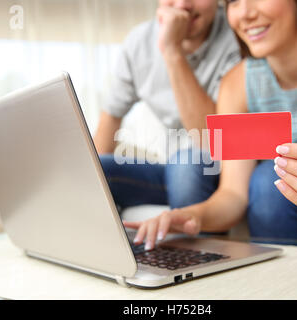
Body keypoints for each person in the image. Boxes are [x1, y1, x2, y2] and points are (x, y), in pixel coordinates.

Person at [124, 0, 297, 250]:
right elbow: (233, 195)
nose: (245, 13)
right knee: (267, 180)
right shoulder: (237, 84)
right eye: (233, 2)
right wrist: (190, 215)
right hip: (279, 192)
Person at [94, 0, 240, 214]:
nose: (182, 5)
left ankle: (197, 248)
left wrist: (172, 51)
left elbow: (212, 140)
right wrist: (93, 173)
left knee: (187, 162)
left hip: (224, 171)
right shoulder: (139, 42)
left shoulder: (238, 36)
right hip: (172, 171)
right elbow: (111, 118)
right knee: (98, 169)